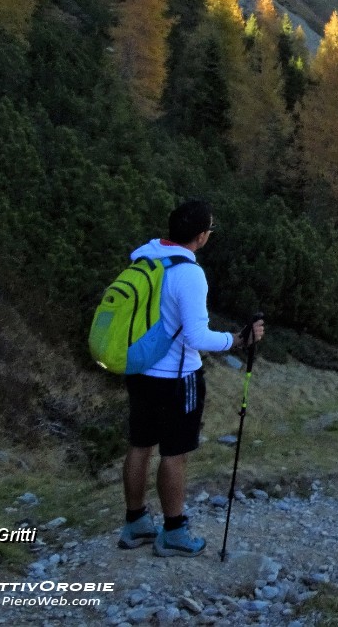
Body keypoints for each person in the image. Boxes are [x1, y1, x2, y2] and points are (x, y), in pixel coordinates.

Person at [117, 199, 265, 557]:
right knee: (175, 453)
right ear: (202, 236)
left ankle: (135, 523)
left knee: (140, 445)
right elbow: (197, 338)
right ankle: (173, 531)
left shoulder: (144, 258)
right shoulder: (189, 273)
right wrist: (238, 340)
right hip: (177, 376)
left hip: (139, 369)